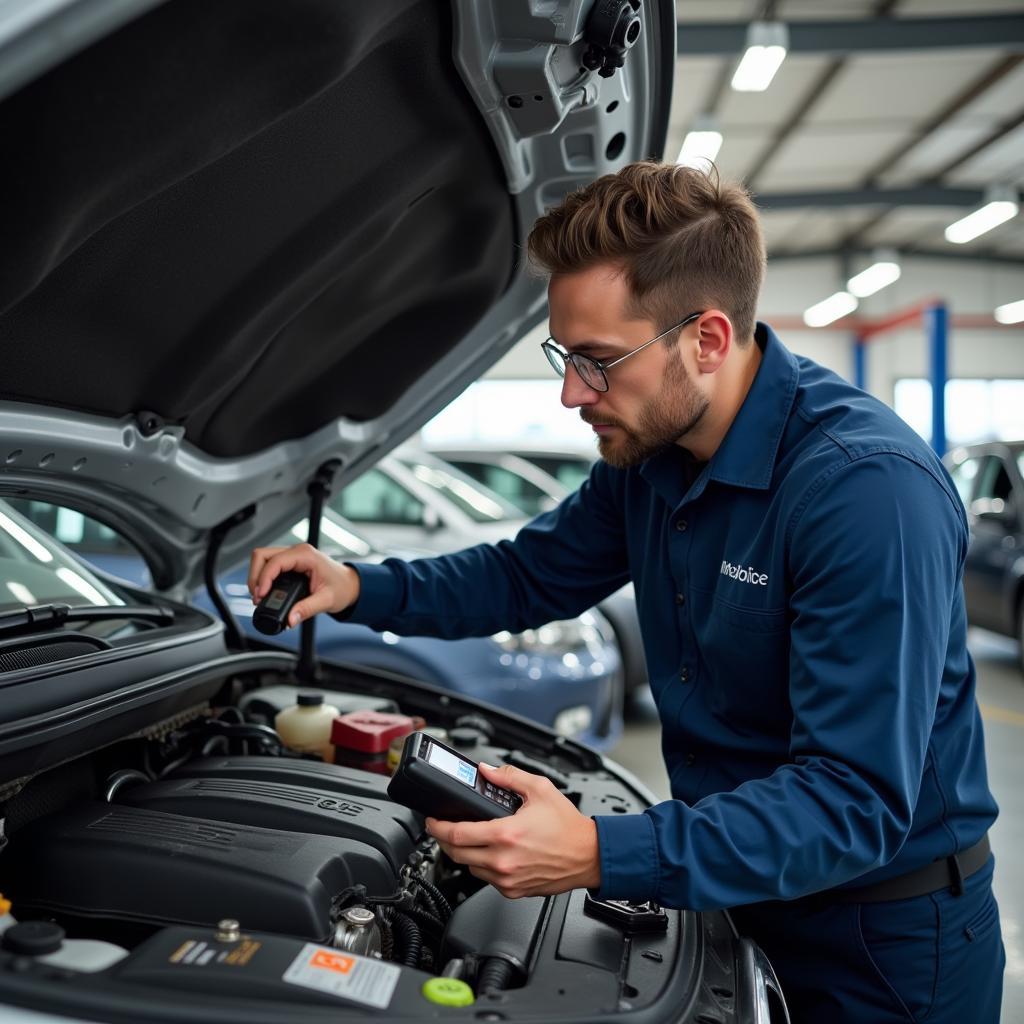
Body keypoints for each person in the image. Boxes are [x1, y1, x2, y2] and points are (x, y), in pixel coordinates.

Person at [249, 161, 1004, 1022]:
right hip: (734, 887)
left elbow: (851, 801)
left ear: (708, 340)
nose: (572, 393)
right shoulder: (651, 457)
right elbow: (528, 573)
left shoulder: (866, 493)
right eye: (564, 356)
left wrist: (600, 850)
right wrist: (356, 586)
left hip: (882, 945)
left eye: (598, 361)